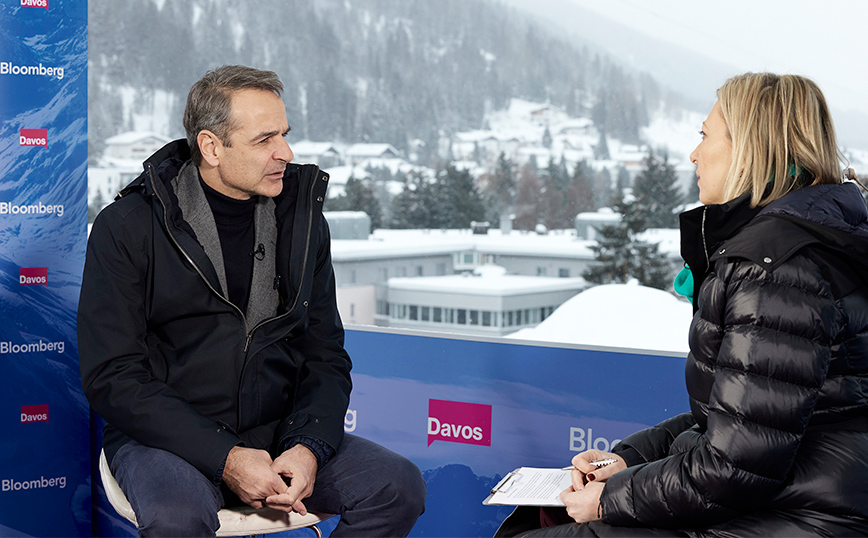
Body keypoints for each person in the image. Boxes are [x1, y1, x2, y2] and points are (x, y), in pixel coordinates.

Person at [495, 73, 868, 537]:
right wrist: (628, 460)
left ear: (749, 148)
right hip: (787, 503)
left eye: (705, 136)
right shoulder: (794, 248)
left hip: (799, 517)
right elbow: (732, 422)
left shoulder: (775, 269)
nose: (694, 154)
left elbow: (735, 466)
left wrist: (610, 499)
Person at [78, 65, 426, 537]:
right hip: (164, 439)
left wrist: (308, 446)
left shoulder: (304, 224)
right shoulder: (126, 226)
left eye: (284, 135)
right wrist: (225, 457)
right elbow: (113, 375)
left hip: (278, 433)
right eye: (265, 140)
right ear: (211, 147)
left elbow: (324, 355)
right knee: (177, 519)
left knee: (396, 486)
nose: (285, 153)